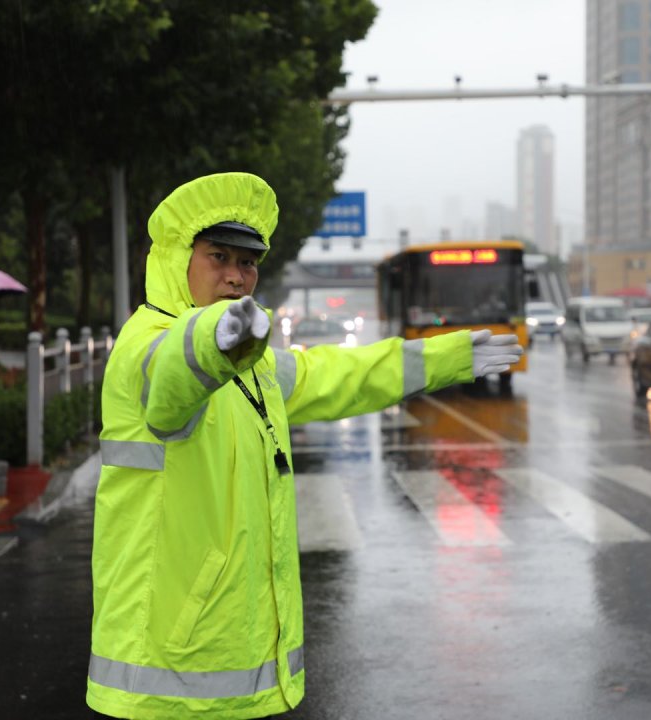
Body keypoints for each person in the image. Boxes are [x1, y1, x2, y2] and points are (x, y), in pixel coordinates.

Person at [87, 172, 522, 720]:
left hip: (221, 664)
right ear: (179, 260)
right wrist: (211, 340)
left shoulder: (252, 365)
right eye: (218, 257)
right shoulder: (147, 343)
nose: (235, 276)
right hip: (163, 676)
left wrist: (443, 358)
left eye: (247, 263)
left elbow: (337, 375)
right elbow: (170, 380)